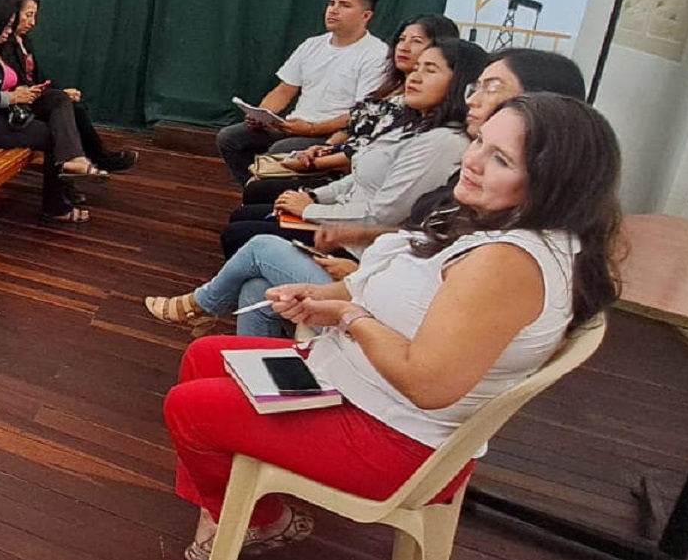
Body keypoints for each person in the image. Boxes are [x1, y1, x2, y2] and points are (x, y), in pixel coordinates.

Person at [161, 94, 624, 560]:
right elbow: (410, 300)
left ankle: (262, 519)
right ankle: (225, 509)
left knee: (189, 410)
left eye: (501, 159)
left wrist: (349, 317)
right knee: (204, 355)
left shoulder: (506, 263)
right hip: (360, 386)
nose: (472, 161)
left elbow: (427, 384)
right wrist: (323, 299)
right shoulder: (507, 227)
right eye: (480, 142)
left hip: (395, 439)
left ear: (554, 183)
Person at [150, 45, 583, 341]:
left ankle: (203, 306)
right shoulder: (432, 142)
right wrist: (345, 245)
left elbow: (392, 224)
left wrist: (350, 274)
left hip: (379, 310)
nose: (412, 71)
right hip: (368, 273)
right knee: (257, 282)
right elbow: (415, 236)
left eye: (492, 88)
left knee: (257, 243)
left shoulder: (504, 234)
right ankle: (256, 382)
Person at [212, 38, 487, 259]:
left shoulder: (443, 143)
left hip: (358, 241)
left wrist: (310, 211)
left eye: (430, 70)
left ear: (461, 85)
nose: (415, 77)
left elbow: (383, 215)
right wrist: (313, 196)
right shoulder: (411, 123)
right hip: (342, 213)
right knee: (244, 215)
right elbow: (359, 177)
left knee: (241, 232)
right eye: (417, 68)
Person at [310, 48, 590, 259]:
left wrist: (352, 293)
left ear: (541, 103)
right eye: (476, 87)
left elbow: (390, 219)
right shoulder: (418, 130)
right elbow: (435, 234)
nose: (473, 100)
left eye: (492, 88)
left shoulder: (516, 246)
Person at [244, 13, 460, 205]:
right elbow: (353, 126)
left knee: (263, 183)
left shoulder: (418, 104)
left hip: (354, 177)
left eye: (416, 41)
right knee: (240, 145)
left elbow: (370, 152)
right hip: (339, 156)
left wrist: (316, 162)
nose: (403, 47)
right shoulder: (389, 86)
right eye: (401, 39)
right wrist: (323, 148)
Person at [0, 0, 108, 224]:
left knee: (59, 99)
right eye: (6, 26)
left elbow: (11, 81)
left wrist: (24, 92)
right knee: (53, 136)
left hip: (5, 113)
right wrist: (12, 97)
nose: (9, 32)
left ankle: (73, 159)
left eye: (11, 26)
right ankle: (55, 206)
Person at [218, 0, 389, 184]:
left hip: (333, 135)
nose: (333, 10)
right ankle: (255, 191)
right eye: (331, 3)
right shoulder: (312, 45)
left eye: (345, 5)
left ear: (366, 16)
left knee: (280, 150)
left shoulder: (376, 54)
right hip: (294, 125)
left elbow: (362, 113)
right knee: (230, 138)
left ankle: (274, 193)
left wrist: (311, 129)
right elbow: (284, 90)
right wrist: (261, 115)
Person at [0, 0, 140, 179]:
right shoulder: (3, 43)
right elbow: (14, 82)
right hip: (17, 105)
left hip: (34, 97)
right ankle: (84, 163)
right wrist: (56, 94)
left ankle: (90, 163)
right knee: (60, 113)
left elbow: (39, 78)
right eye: (28, 15)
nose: (33, 22)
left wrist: (61, 91)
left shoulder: (26, 41)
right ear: (13, 14)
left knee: (75, 108)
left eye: (35, 16)